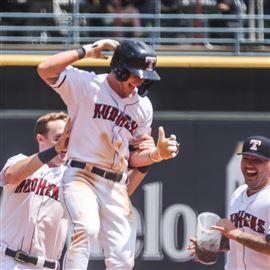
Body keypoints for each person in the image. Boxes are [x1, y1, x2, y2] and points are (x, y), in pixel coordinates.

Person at [37, 38, 179, 269]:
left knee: (123, 261)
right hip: (82, 176)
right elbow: (45, 69)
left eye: (146, 75)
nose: (141, 80)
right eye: (137, 73)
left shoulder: (143, 106)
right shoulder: (87, 85)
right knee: (85, 229)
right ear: (120, 69)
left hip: (116, 185)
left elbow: (136, 157)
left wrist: (156, 154)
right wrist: (85, 51)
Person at [0, 112, 70, 270]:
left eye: (68, 138)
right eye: (59, 138)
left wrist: (139, 167)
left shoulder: (72, 178)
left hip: (45, 265)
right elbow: (11, 176)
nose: (65, 144)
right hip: (7, 261)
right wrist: (54, 150)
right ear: (40, 139)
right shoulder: (18, 160)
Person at [188, 135, 270, 269]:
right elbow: (239, 240)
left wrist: (236, 234)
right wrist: (213, 244)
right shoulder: (238, 193)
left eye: (257, 160)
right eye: (246, 159)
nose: (249, 164)